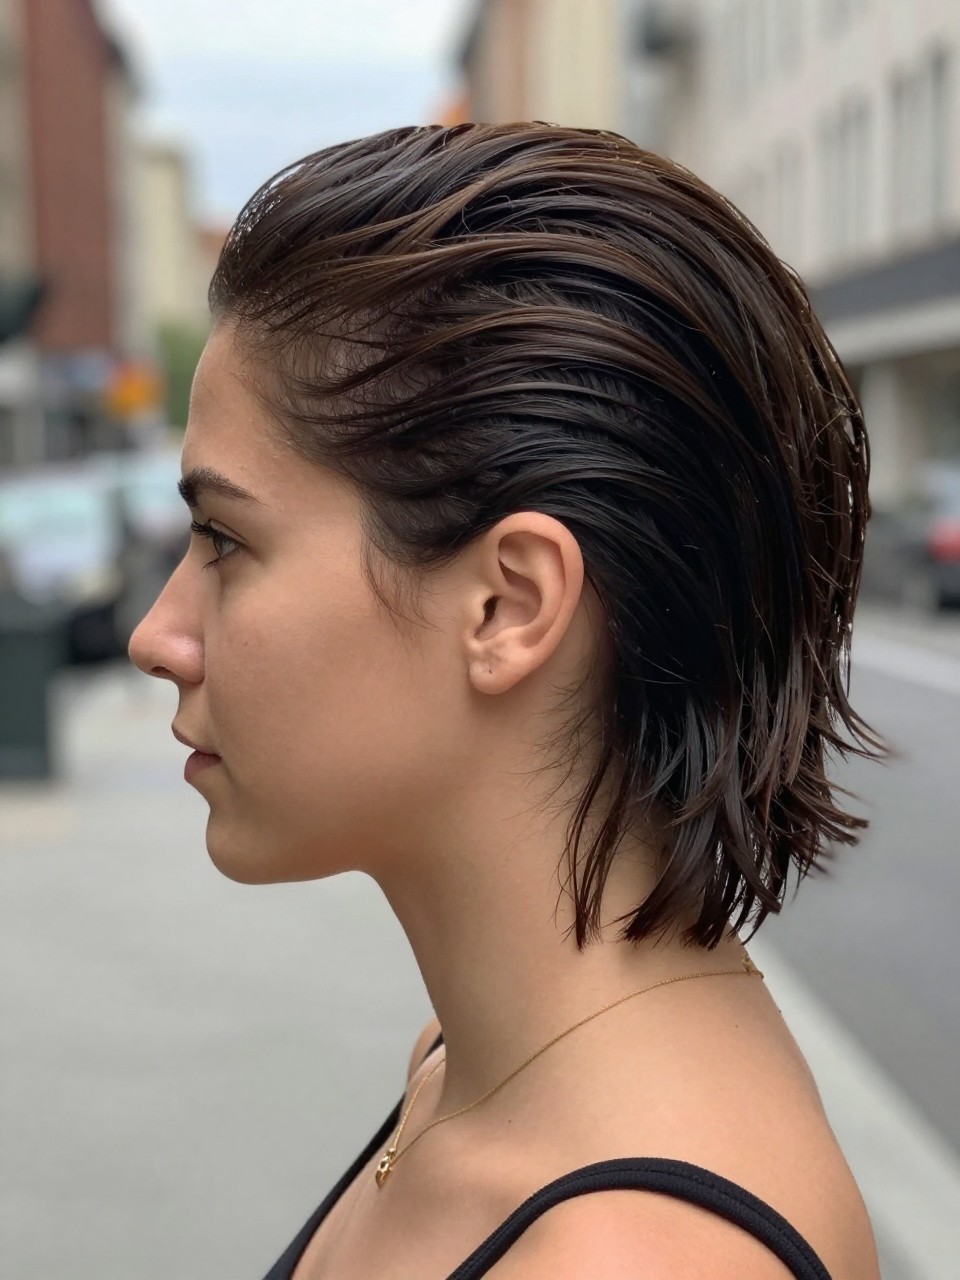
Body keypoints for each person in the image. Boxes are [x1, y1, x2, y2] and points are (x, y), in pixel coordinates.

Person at [128, 123, 885, 1279]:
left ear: (507, 607)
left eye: (225, 539)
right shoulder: (475, 1060)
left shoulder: (636, 1256)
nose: (156, 634)